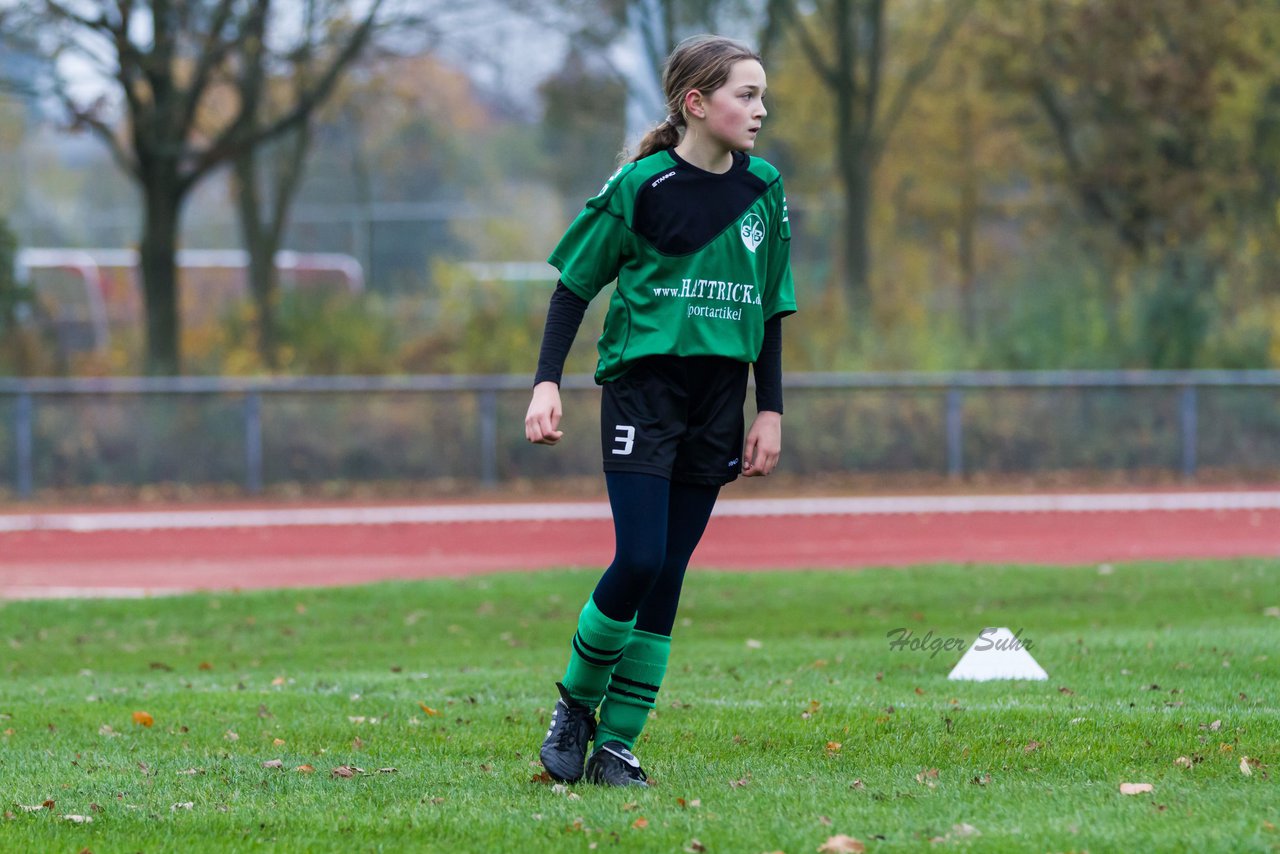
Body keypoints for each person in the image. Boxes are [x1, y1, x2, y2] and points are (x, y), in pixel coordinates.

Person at [525, 34, 797, 788]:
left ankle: (617, 745)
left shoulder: (764, 188)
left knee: (670, 574)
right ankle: (576, 706)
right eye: (747, 95)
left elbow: (771, 308)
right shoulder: (640, 186)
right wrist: (546, 381)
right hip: (643, 391)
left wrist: (768, 409)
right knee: (640, 558)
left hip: (719, 399)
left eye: (762, 95)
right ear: (696, 104)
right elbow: (573, 286)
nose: (760, 109)